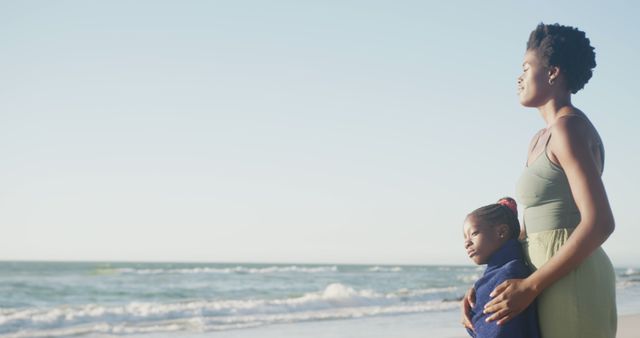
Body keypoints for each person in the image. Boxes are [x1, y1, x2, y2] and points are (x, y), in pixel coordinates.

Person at [461, 23, 617, 338]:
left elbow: (600, 222)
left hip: (570, 280)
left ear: (552, 72)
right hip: (544, 279)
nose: (519, 77)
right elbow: (529, 229)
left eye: (526, 67)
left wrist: (531, 286)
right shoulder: (540, 139)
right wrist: (486, 285)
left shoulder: (568, 129)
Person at [462, 197, 541, 338]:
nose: (467, 243)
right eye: (465, 237)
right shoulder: (498, 274)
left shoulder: (508, 275)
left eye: (473, 234)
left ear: (501, 232)